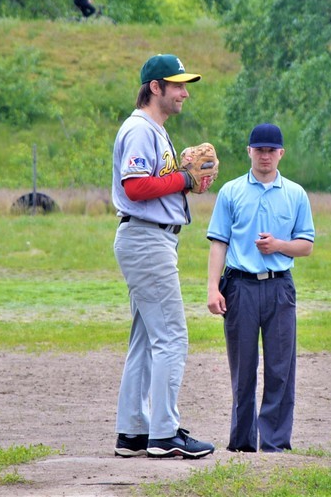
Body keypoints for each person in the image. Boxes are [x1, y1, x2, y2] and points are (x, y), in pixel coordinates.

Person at [111, 53, 215, 459]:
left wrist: (182, 182)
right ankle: (164, 433)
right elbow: (136, 187)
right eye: (177, 85)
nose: (184, 93)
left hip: (148, 238)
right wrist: (183, 178)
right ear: (155, 87)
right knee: (172, 337)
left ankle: (134, 432)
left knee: (145, 340)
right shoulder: (140, 129)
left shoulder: (153, 129)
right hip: (146, 238)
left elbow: (153, 184)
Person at [206, 123, 315, 452]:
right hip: (240, 286)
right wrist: (213, 288)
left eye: (271, 150)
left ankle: (274, 443)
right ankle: (241, 442)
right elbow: (219, 242)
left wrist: (279, 245)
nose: (265, 156)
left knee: (281, 367)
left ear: (281, 153)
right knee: (243, 367)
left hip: (279, 287)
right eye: (259, 150)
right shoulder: (231, 192)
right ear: (249, 152)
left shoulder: (295, 194)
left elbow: (306, 245)